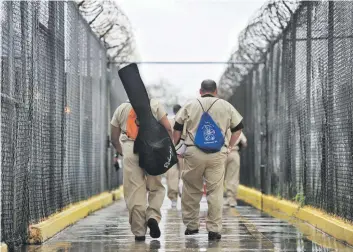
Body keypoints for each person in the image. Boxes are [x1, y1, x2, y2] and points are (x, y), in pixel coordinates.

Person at [173, 79, 243, 241]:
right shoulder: (225, 106)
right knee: (215, 191)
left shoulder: (190, 105)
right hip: (218, 153)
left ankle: (191, 226)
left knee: (191, 189)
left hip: (193, 152)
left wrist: (176, 145)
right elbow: (238, 129)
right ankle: (214, 229)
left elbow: (177, 127)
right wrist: (230, 146)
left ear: (200, 91)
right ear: (216, 91)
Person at [110, 99, 172, 241]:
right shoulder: (155, 105)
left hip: (130, 148)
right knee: (156, 187)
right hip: (153, 148)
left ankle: (139, 232)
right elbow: (168, 128)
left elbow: (114, 138)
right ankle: (153, 216)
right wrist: (167, 149)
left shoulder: (121, 108)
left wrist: (123, 152)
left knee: (135, 191)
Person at [224, 131, 247, 207]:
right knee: (233, 177)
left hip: (221, 153)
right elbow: (244, 142)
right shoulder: (236, 128)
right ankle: (231, 200)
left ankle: (217, 200)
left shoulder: (220, 124)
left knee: (218, 177)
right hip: (234, 153)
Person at [166, 104, 182, 208]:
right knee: (185, 175)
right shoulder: (187, 121)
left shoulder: (169, 122)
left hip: (171, 151)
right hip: (184, 151)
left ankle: (173, 199)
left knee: (172, 175)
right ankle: (185, 195)